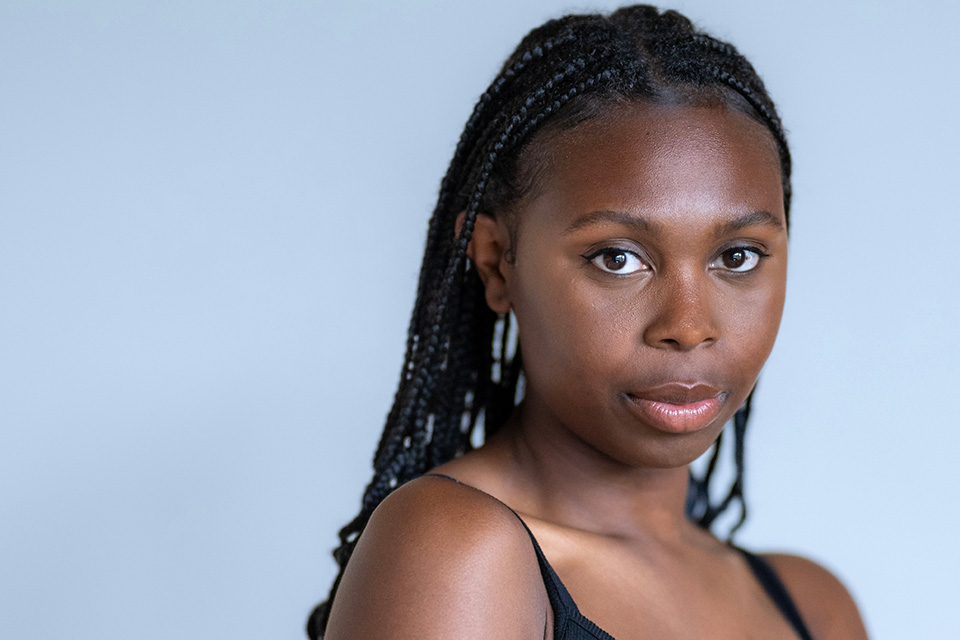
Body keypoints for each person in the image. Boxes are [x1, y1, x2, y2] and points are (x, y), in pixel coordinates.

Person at [309, 5, 868, 639]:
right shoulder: (455, 550)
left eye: (737, 256)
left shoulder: (815, 608)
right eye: (617, 258)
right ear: (496, 263)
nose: (689, 326)